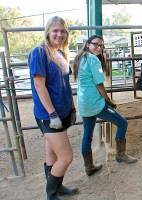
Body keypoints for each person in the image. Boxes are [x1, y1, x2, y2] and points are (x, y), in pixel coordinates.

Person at [28, 16, 78, 200]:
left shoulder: (61, 53)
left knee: (52, 152)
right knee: (66, 157)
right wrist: (52, 114)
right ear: (48, 31)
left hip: (61, 112)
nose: (59, 34)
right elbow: (39, 86)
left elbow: (66, 84)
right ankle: (51, 194)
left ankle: (58, 187)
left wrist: (72, 108)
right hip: (49, 115)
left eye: (63, 31)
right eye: (55, 30)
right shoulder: (40, 52)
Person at [73, 35, 138, 176]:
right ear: (88, 44)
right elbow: (99, 84)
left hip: (84, 103)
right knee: (122, 123)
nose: (99, 48)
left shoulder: (79, 58)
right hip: (95, 102)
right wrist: (108, 100)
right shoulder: (92, 59)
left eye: (101, 46)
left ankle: (89, 166)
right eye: (96, 44)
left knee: (87, 135)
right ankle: (120, 155)